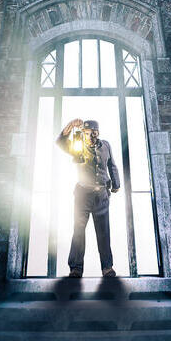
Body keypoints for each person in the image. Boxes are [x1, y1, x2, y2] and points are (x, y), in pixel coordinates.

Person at [56, 118, 121, 278]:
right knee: (78, 230)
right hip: (82, 195)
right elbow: (61, 142)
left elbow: (112, 165)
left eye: (92, 132)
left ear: (97, 132)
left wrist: (116, 184)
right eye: (85, 133)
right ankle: (76, 268)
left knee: (104, 232)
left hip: (101, 195)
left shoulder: (105, 145)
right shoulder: (77, 146)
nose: (89, 135)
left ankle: (107, 267)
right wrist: (70, 126)